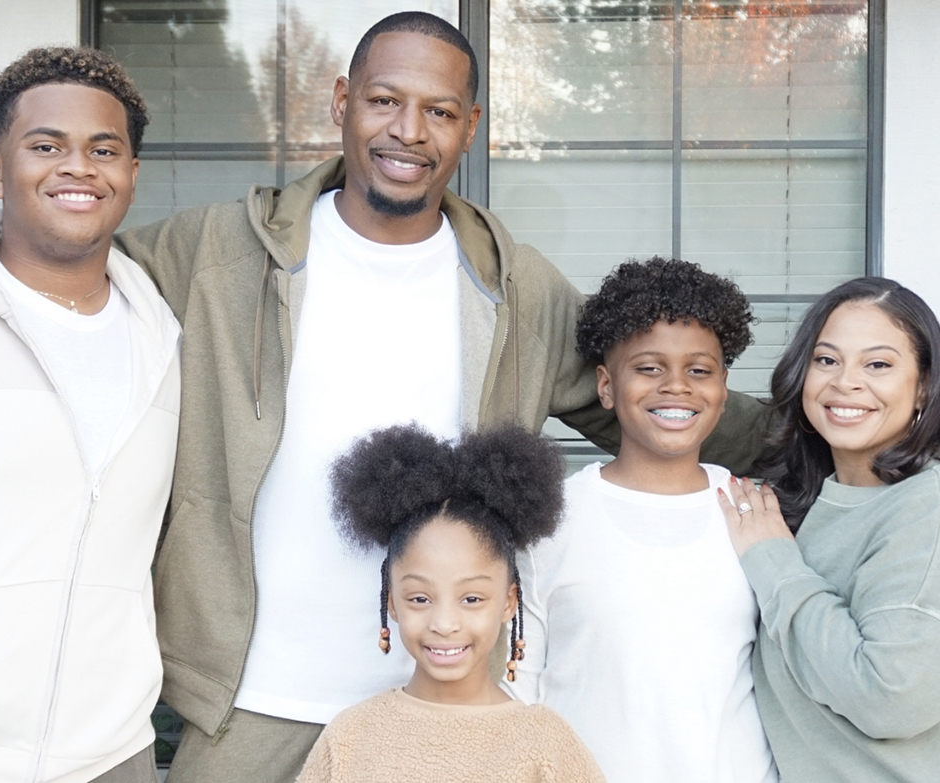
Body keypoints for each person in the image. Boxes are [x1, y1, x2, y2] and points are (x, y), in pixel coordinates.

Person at [113, 12, 768, 781]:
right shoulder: (217, 252)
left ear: (470, 127)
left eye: (440, 112)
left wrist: (851, 426)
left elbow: (655, 397)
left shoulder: (518, 289)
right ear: (341, 100)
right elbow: (62, 270)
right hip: (252, 702)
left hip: (443, 707)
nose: (409, 131)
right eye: (385, 101)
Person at [0, 48, 181, 782]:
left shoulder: (160, 334)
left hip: (113, 750)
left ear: (131, 177)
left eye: (103, 150)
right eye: (46, 146)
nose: (78, 167)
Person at [509, 258, 778, 783]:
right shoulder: (551, 520)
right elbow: (520, 690)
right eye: (649, 368)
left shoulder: (753, 511)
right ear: (606, 387)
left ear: (723, 391)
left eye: (699, 370)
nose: (675, 386)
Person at [719, 277, 940, 782]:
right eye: (827, 360)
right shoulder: (801, 501)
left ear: (924, 383)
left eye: (878, 364)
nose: (846, 383)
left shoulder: (926, 508)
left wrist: (776, 563)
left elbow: (892, 699)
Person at [293, 424, 605, 782]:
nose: (444, 623)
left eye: (471, 598)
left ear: (508, 602)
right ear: (391, 602)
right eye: (420, 598)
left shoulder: (545, 743)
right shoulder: (350, 736)